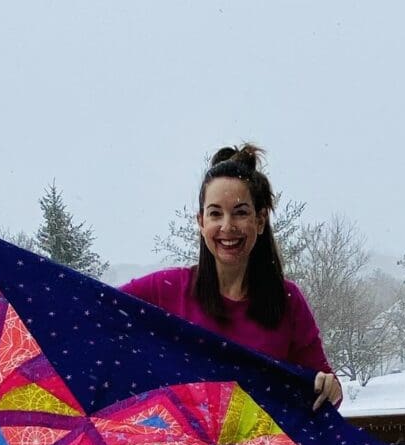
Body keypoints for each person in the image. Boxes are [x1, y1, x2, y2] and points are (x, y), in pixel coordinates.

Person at [120, 143, 342, 411]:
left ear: (260, 221)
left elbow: (328, 390)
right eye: (215, 214)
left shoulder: (287, 300)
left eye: (240, 213)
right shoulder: (165, 290)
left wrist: (330, 387)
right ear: (201, 222)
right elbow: (96, 310)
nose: (227, 226)